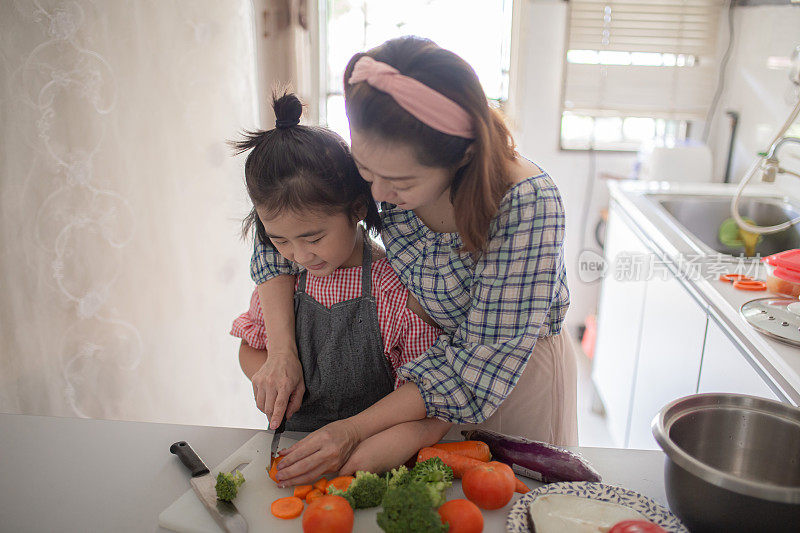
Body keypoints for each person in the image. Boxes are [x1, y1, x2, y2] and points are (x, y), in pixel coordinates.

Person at [255, 36, 578, 487]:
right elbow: (277, 236)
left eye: (400, 183)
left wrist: (353, 429)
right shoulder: (383, 152)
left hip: (509, 373)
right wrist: (283, 354)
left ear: (461, 156)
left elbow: (475, 371)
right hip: (418, 378)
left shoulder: (526, 205)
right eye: (366, 172)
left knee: (511, 503)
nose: (378, 196)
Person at [230, 91, 448, 467]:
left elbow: (425, 398)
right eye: (279, 240)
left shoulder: (393, 288)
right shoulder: (285, 283)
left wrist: (353, 463)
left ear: (357, 208)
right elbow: (251, 348)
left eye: (314, 238)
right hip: (294, 454)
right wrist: (270, 377)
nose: (299, 256)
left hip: (375, 458)